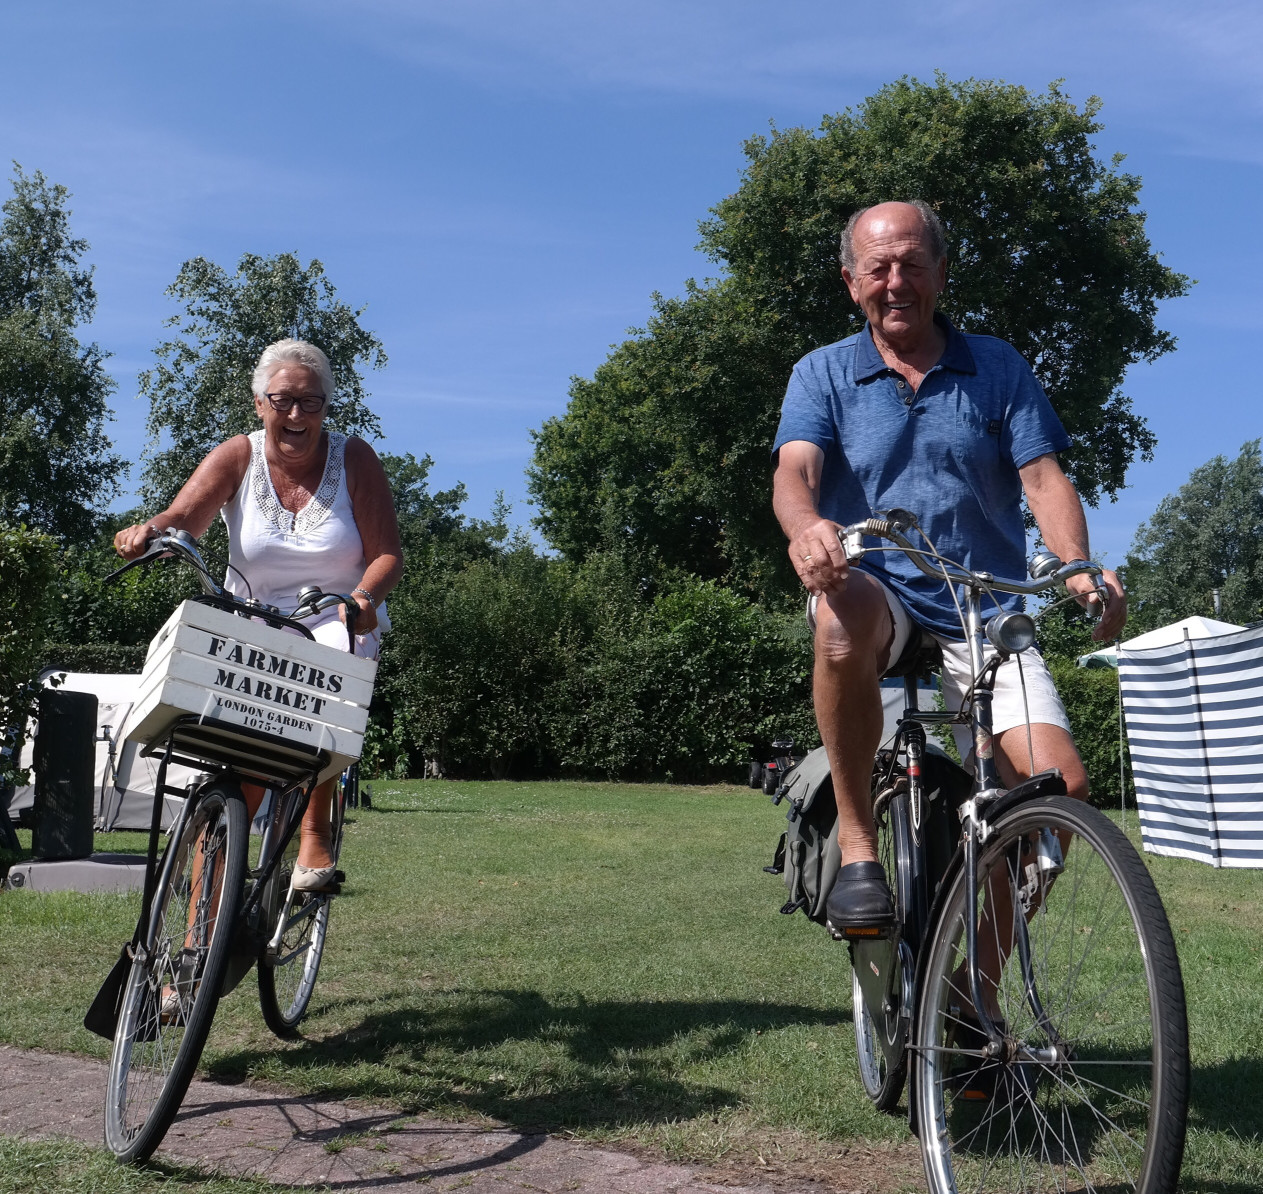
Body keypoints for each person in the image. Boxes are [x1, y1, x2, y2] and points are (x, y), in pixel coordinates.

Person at [771, 200, 1126, 943]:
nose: (894, 281)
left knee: (1056, 791)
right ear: (850, 281)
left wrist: (1076, 565)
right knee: (839, 616)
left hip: (981, 606)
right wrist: (807, 528)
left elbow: (1041, 477)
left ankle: (971, 998)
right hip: (875, 588)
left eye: (911, 263)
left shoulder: (994, 365)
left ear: (940, 272)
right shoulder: (822, 372)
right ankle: (862, 851)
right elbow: (794, 471)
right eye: (877, 267)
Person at [115, 338, 403, 890]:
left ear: (326, 406)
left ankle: (316, 825)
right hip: (250, 615)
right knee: (237, 774)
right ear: (259, 403)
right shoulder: (238, 455)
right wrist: (149, 533)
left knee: (330, 661)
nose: (296, 415)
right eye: (283, 400)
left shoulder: (355, 458)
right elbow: (184, 516)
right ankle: (200, 937)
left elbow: (387, 553)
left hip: (334, 614)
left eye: (311, 402)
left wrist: (363, 602)